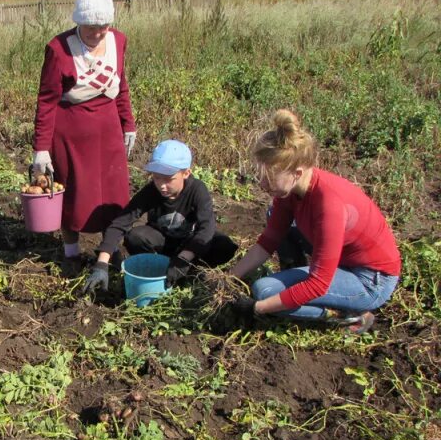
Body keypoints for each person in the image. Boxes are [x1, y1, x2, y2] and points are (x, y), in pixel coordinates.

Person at [228, 109, 401, 333]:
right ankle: (293, 283)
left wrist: (257, 308)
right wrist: (228, 277)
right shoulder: (290, 192)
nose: (262, 183)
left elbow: (319, 283)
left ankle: (348, 316)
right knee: (276, 218)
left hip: (369, 279)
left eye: (269, 178)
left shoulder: (329, 204)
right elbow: (267, 243)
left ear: (297, 173)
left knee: (265, 292)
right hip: (341, 259)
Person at [32, 0, 136, 264]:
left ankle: (110, 250)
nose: (97, 32)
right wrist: (41, 148)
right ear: (78, 21)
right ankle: (71, 253)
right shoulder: (59, 49)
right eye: (90, 26)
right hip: (71, 138)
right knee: (75, 193)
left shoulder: (118, 41)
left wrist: (128, 123)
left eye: (103, 25)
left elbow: (121, 85)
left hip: (109, 133)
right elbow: (47, 101)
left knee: (112, 193)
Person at [84, 140, 238, 293]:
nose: (162, 185)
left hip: (189, 243)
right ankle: (160, 267)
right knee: (135, 237)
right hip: (162, 243)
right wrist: (102, 265)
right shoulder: (151, 191)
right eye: (157, 178)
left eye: (168, 179)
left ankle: (192, 271)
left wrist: (184, 259)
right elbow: (121, 223)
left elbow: (206, 228)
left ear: (186, 173)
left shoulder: (197, 190)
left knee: (224, 246)